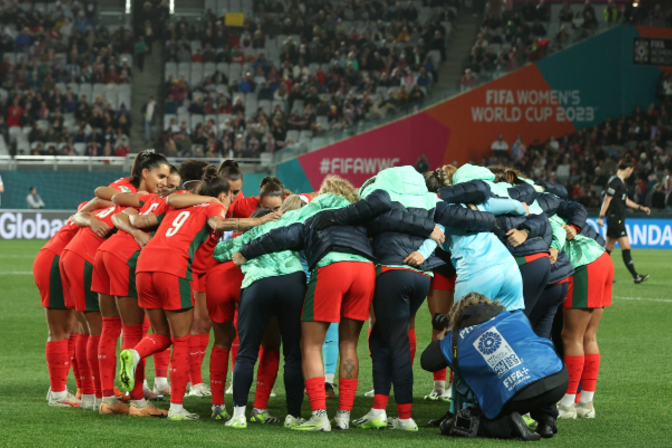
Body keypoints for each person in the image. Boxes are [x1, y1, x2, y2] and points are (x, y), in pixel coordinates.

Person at [237, 176, 380, 431]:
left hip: (332, 266)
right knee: (349, 344)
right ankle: (344, 417)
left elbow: (284, 234)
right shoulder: (357, 213)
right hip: (366, 269)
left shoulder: (313, 210)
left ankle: (319, 415)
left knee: (311, 345)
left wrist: (246, 251)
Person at [117, 167, 236, 421]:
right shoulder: (211, 206)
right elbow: (218, 223)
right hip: (175, 270)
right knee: (182, 340)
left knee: (160, 334)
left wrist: (135, 225)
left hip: (142, 266)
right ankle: (177, 408)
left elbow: (137, 216)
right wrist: (256, 220)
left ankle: (135, 354)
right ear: (223, 195)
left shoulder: (169, 205)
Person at [61, 151, 172, 412]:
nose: (165, 183)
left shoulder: (126, 192)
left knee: (101, 329)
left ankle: (101, 397)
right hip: (100, 254)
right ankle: (134, 400)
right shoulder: (140, 195)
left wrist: (87, 217)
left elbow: (99, 207)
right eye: (162, 176)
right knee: (131, 329)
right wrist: (88, 219)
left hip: (91, 253)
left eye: (169, 179)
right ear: (146, 173)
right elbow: (88, 210)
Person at [420, 293, 568, 440]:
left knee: (471, 421)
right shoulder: (516, 316)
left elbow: (428, 362)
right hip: (558, 379)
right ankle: (547, 421)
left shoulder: (457, 337)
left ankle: (507, 423)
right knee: (536, 366)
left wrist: (442, 336)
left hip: (518, 393)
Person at [597, 158, 651, 283]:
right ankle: (636, 276)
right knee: (626, 246)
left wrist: (641, 207)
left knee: (609, 248)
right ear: (628, 169)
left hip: (616, 219)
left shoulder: (620, 182)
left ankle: (602, 277)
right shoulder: (615, 181)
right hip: (616, 220)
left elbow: (625, 201)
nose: (631, 173)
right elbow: (607, 199)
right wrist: (601, 216)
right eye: (631, 170)